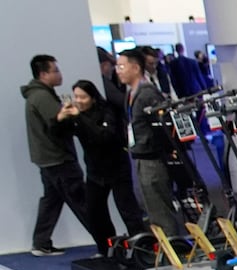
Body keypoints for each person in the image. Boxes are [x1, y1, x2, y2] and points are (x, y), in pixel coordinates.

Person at [21, 54, 92, 256]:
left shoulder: (38, 95)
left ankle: (41, 242)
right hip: (58, 158)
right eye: (55, 70)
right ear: (43, 74)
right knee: (82, 201)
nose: (60, 74)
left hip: (47, 159)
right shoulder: (42, 97)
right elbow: (57, 123)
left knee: (52, 200)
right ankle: (104, 240)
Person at [61, 79, 140, 252]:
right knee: (95, 213)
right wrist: (59, 119)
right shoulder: (76, 116)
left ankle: (142, 247)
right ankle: (106, 248)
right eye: (76, 97)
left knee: (128, 210)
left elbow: (105, 136)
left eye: (83, 97)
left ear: (93, 97)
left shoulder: (107, 111)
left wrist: (79, 118)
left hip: (117, 168)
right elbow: (59, 133)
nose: (79, 101)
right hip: (95, 172)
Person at [118, 47, 183, 239]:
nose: (118, 70)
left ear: (136, 68)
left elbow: (163, 127)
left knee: (159, 207)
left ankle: (172, 246)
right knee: (151, 206)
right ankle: (165, 244)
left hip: (153, 159)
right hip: (141, 156)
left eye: (122, 66)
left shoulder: (147, 93)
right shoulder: (132, 93)